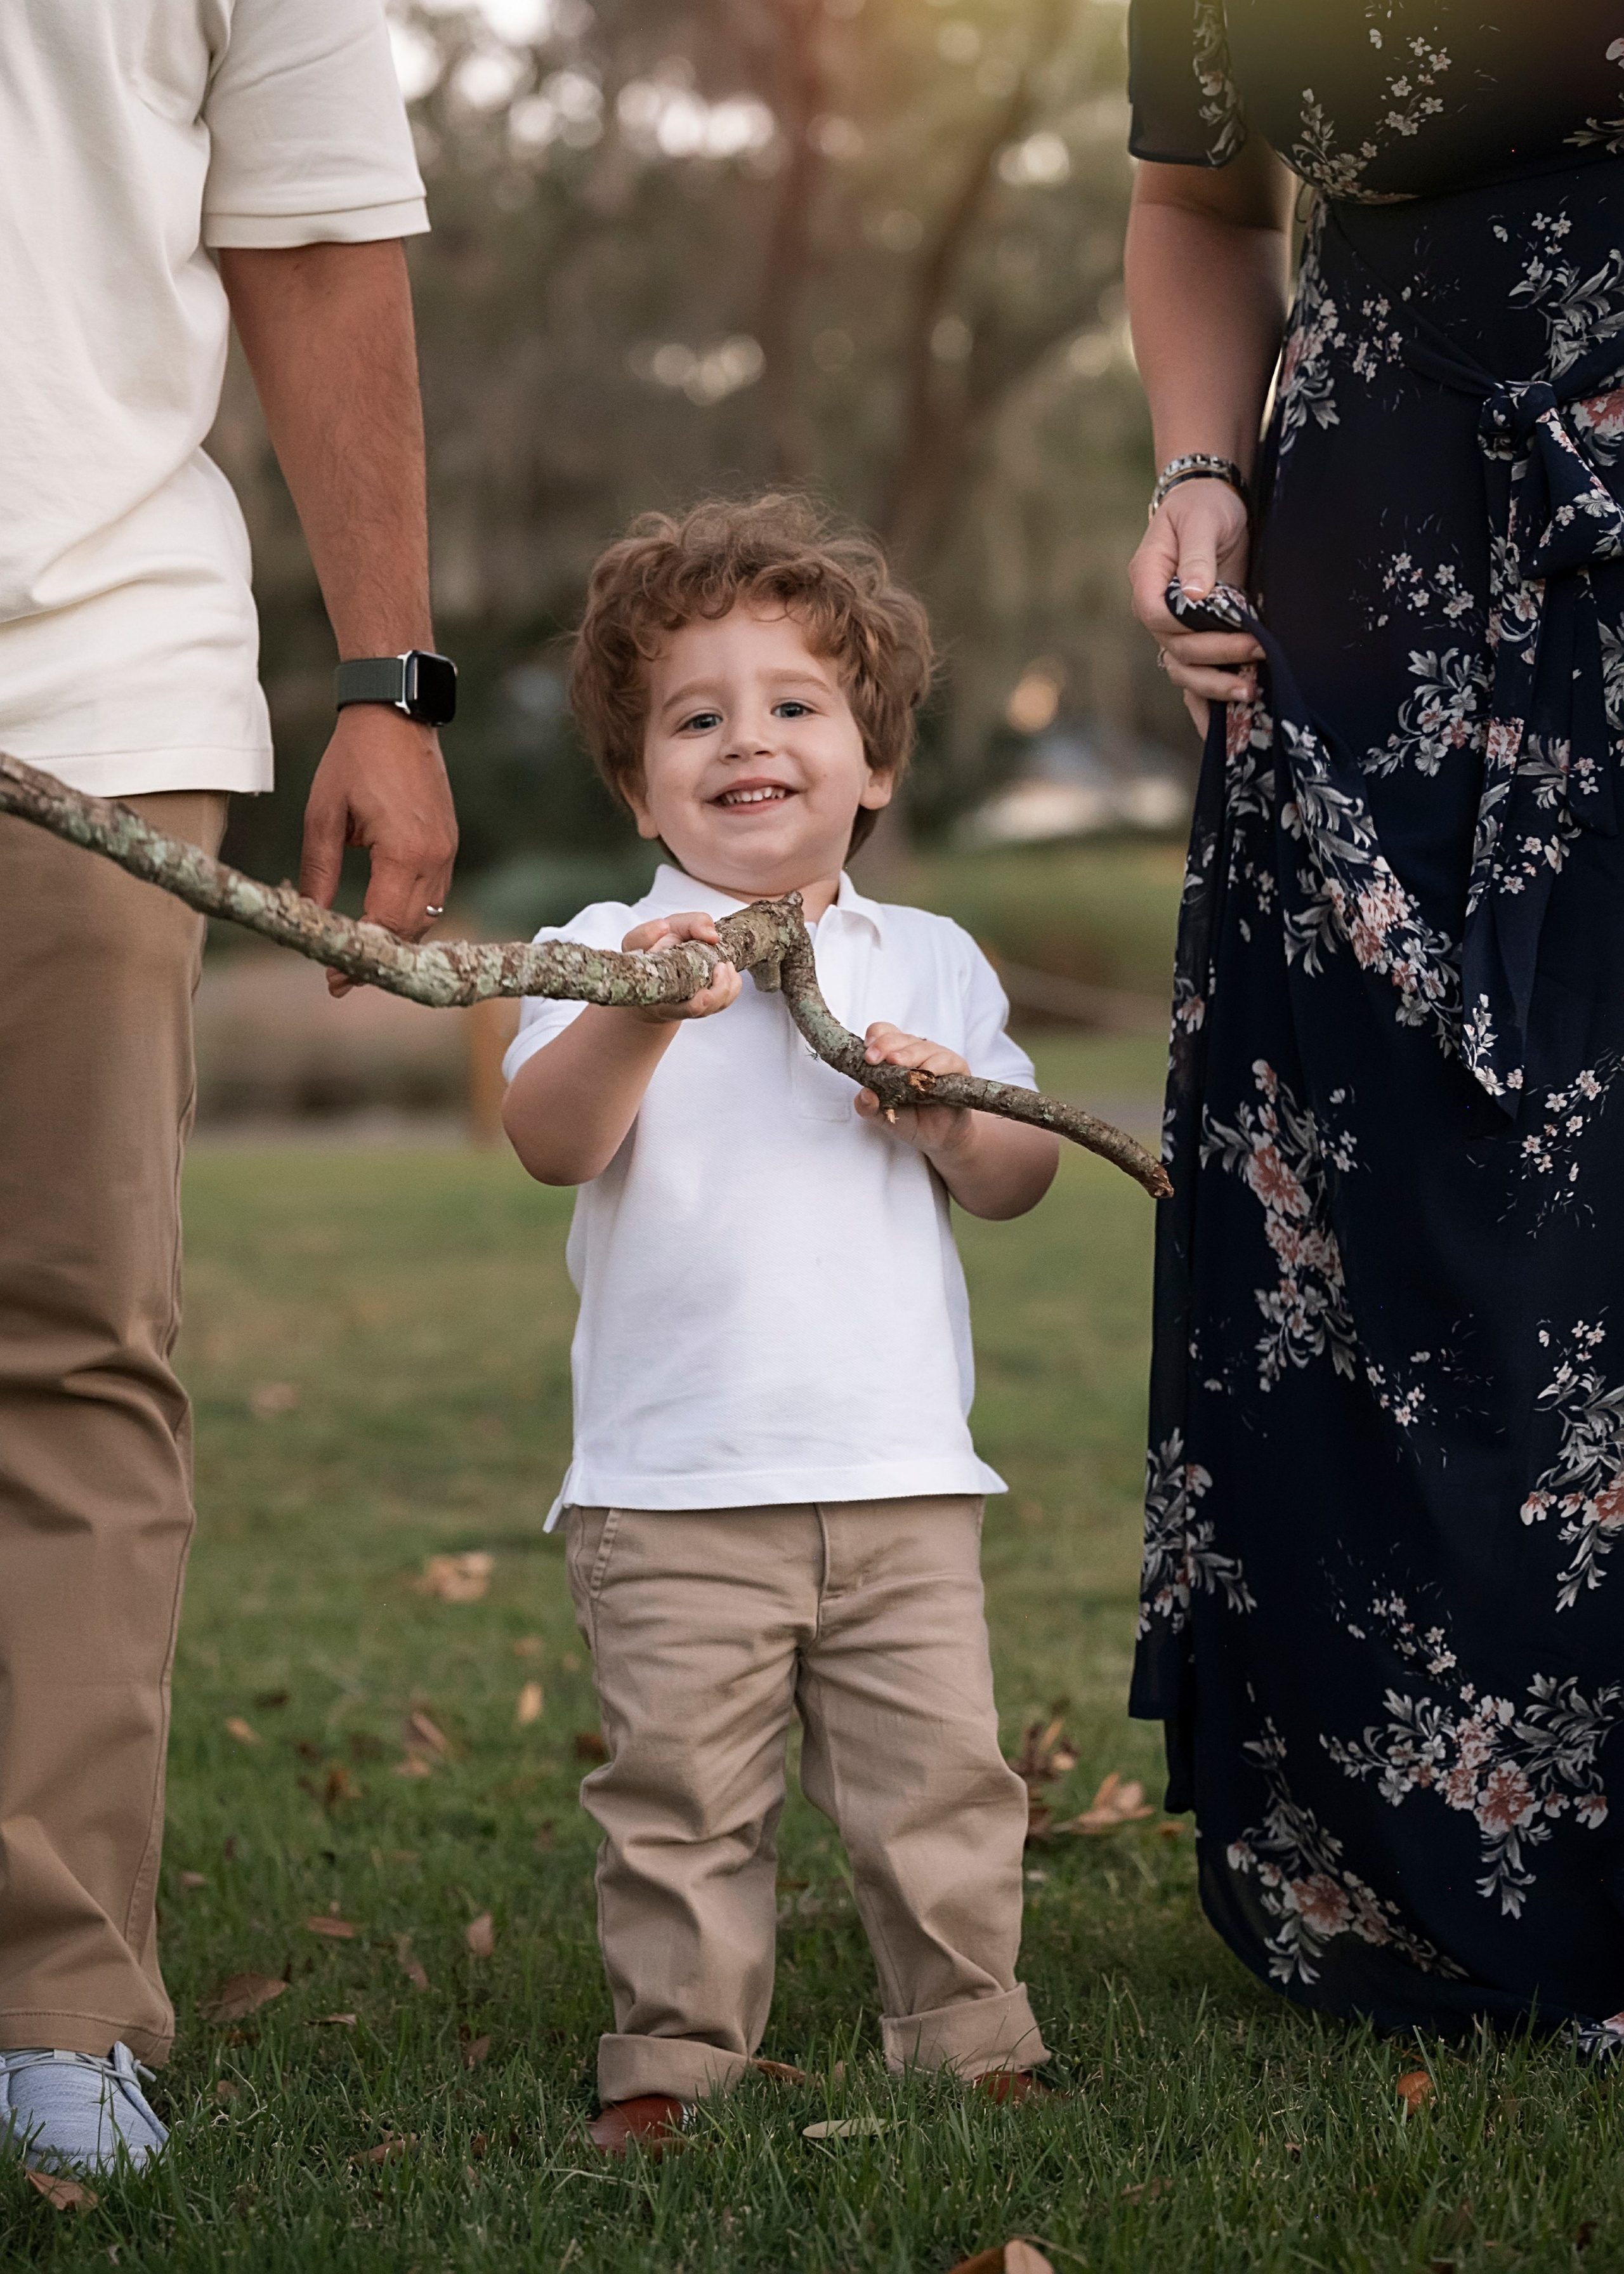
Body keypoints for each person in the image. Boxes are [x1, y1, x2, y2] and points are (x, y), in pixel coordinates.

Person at [1123, 3, 1624, 2039]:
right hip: (1381, 537)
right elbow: (1195, 200)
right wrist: (1199, 476)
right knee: (1384, 1176)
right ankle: (1411, 1880)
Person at [0, 0, 457, 2171]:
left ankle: (54, 1992)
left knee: (72, 1342)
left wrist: (389, 681)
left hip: (82, 666)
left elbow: (318, 235)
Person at [501, 496, 1055, 2153]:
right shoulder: (603, 950)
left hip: (898, 1480)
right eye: (697, 715)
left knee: (940, 1789)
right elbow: (552, 1142)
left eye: (796, 705)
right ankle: (676, 2055)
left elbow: (1020, 1176)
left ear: (873, 763)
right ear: (640, 780)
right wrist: (644, 1018)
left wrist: (957, 1113)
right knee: (681, 1801)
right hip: (674, 1493)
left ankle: (968, 2029)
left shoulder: (928, 959)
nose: (749, 738)